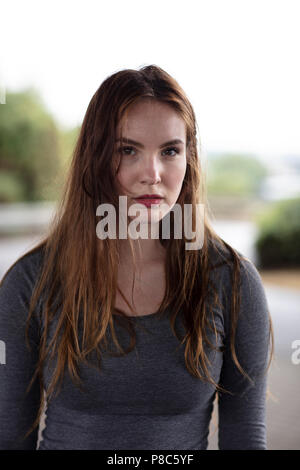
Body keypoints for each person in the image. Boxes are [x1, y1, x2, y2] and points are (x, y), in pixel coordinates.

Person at [0, 64, 274, 450]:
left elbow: (246, 439)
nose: (152, 173)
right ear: (94, 157)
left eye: (169, 151)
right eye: (128, 150)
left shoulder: (232, 280)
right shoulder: (31, 281)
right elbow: (9, 437)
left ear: (189, 159)